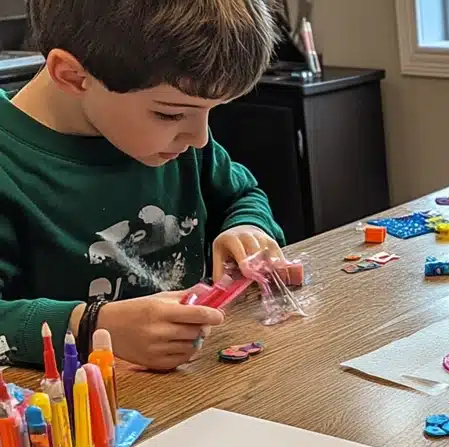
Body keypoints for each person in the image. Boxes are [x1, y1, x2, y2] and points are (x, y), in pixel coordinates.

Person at [0, 0, 286, 371]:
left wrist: (246, 228)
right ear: (72, 76)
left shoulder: (172, 141)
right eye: (170, 113)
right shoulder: (10, 166)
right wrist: (90, 326)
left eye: (212, 110)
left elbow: (242, 196)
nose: (199, 138)